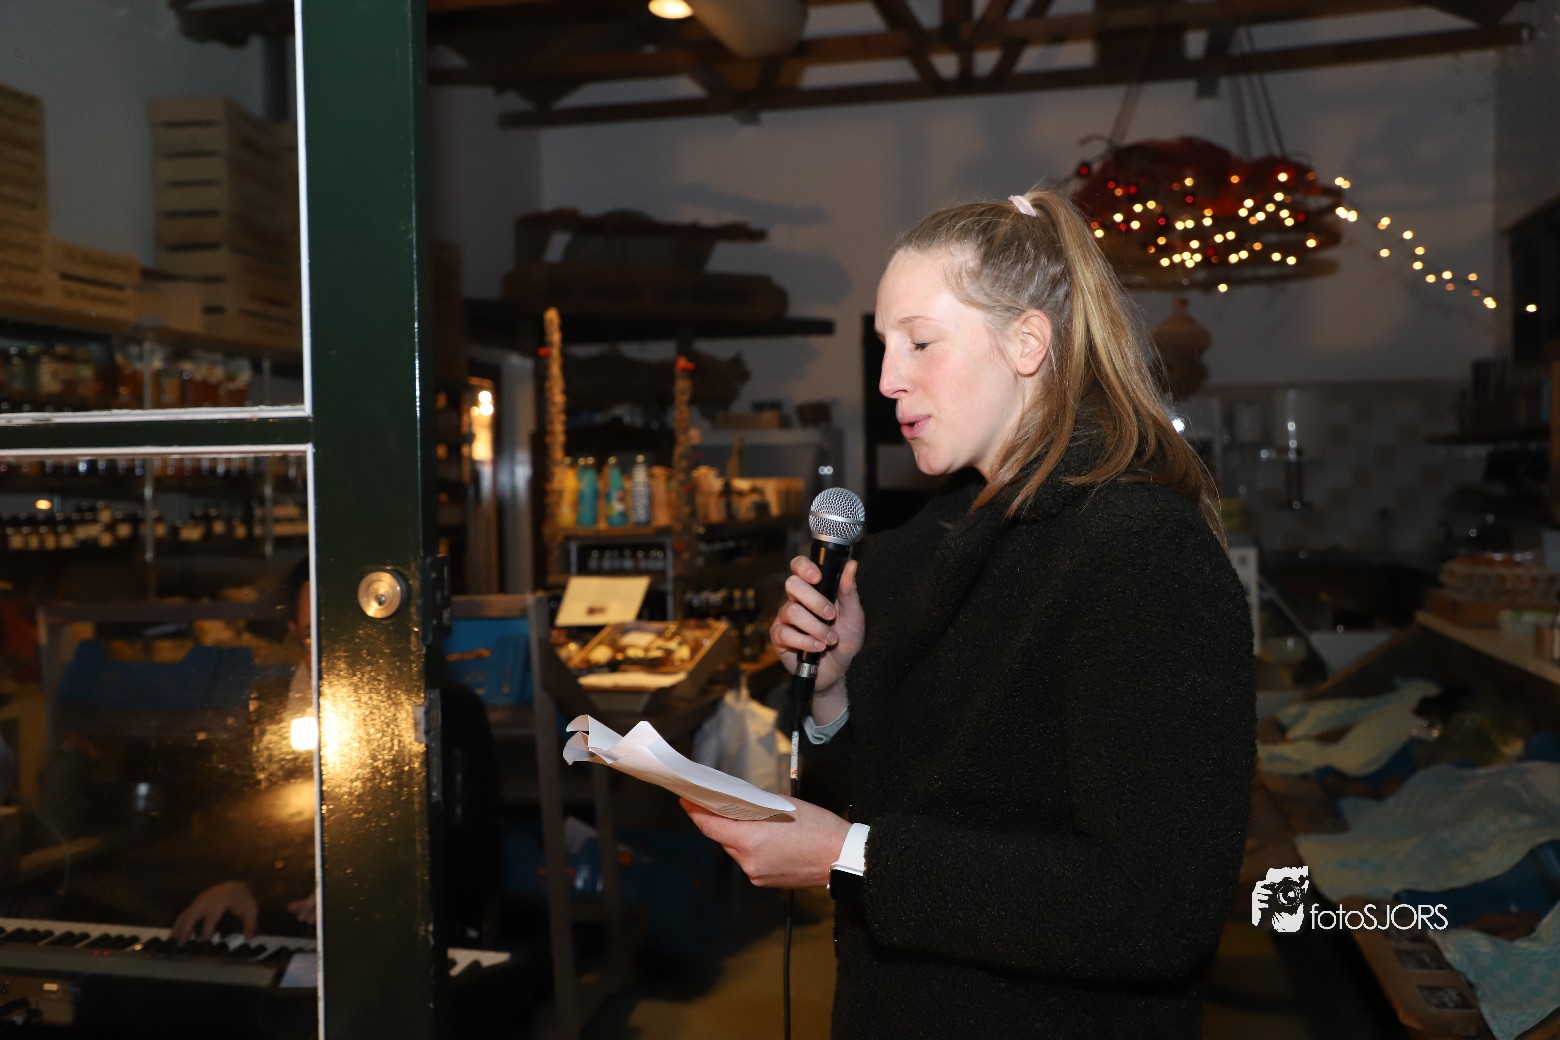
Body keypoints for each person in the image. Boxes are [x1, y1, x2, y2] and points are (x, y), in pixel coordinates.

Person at [682, 190, 1256, 1037]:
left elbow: (1154, 910)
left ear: (1027, 342)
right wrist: (835, 696)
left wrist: (848, 855)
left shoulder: (1142, 553)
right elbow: (906, 794)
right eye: (884, 347)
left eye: (920, 342)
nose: (887, 380)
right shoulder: (923, 543)